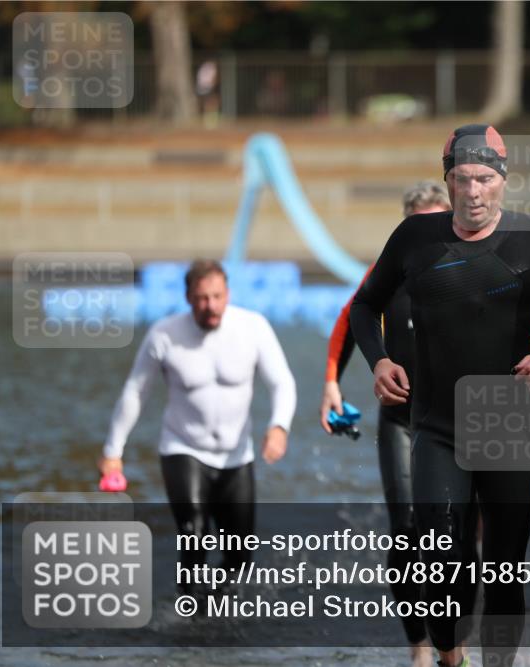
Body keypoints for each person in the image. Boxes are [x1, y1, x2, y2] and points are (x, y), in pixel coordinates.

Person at [350, 124, 530, 667]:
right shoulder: (415, 237)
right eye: (462, 179)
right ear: (448, 183)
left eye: (485, 179)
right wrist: (380, 361)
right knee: (437, 559)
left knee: (504, 569)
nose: (473, 192)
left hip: (508, 422)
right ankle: (449, 657)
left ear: (503, 181)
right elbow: (363, 308)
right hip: (437, 423)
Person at [320, 181, 459, 667]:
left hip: (464, 425)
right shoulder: (386, 273)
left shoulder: (475, 268)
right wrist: (332, 386)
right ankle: (420, 646)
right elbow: (348, 321)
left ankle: (455, 645)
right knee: (406, 533)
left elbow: (527, 335)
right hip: (401, 420)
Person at [99, 260, 296, 594]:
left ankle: (217, 609)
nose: (211, 306)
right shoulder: (165, 334)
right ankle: (189, 617)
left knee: (240, 556)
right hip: (183, 447)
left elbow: (282, 383)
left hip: (237, 455)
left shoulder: (253, 327)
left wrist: (279, 426)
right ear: (188, 297)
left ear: (228, 294)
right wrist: (112, 452)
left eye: (217, 296)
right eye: (203, 298)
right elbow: (136, 391)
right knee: (194, 535)